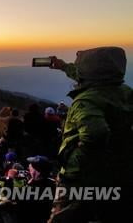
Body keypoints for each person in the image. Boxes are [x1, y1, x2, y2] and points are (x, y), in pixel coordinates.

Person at [47, 47, 133, 223]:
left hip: (81, 179)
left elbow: (96, 134)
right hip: (119, 173)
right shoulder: (124, 91)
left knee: (63, 217)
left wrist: (71, 162)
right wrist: (63, 66)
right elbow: (91, 76)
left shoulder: (86, 100)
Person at [18, 155, 55, 223]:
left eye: (31, 166)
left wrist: (28, 185)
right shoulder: (53, 184)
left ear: (37, 172)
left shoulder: (30, 191)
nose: (28, 167)